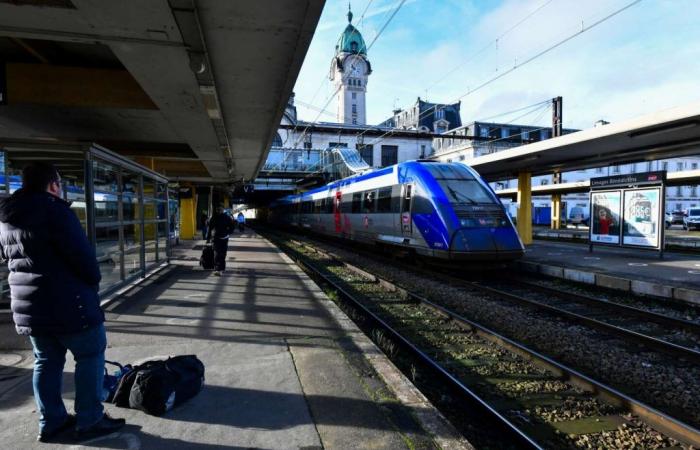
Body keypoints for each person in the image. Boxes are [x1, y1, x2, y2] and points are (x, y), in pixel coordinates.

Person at [0, 163, 125, 442]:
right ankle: (90, 419)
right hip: (70, 304)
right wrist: (92, 284)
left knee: (45, 361)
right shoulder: (55, 210)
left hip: (30, 307)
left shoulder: (7, 216)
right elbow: (83, 259)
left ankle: (51, 422)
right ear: (53, 184)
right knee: (90, 355)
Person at [206, 206, 235, 276]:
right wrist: (228, 232)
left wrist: (208, 238)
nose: (219, 211)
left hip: (219, 237)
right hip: (219, 238)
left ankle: (219, 269)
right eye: (218, 210)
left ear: (222, 210)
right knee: (220, 253)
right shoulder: (226, 217)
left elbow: (210, 228)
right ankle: (219, 269)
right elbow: (232, 226)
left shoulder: (217, 217)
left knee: (219, 253)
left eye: (220, 210)